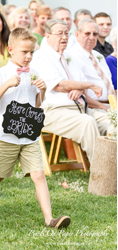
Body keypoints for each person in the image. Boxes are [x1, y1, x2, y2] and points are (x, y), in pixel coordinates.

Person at [0, 27, 70, 229]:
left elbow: (35, 106)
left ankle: (50, 220)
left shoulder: (34, 74)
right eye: (24, 52)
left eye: (31, 52)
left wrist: (42, 92)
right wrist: (6, 85)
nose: (29, 56)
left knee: (38, 175)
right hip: (6, 135)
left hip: (29, 135)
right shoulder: (0, 75)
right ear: (11, 49)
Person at [32, 19, 108, 167]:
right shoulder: (41, 58)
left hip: (81, 109)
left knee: (112, 122)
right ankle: (101, 175)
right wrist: (88, 85)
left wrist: (80, 88)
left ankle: (113, 169)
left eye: (67, 33)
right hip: (54, 112)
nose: (65, 37)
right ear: (47, 36)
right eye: (60, 33)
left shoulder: (69, 56)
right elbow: (60, 85)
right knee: (88, 123)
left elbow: (80, 83)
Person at [68, 18, 115, 107]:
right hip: (93, 106)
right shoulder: (71, 56)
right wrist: (105, 108)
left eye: (95, 34)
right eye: (87, 33)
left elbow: (110, 83)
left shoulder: (98, 56)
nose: (91, 37)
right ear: (77, 34)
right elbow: (80, 93)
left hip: (112, 104)